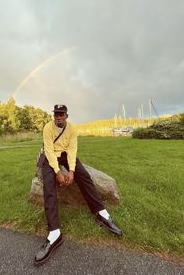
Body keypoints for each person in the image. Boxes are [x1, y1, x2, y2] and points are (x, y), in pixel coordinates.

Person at [34, 104, 122, 265]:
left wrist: (72, 171)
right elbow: (48, 150)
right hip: (51, 156)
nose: (58, 117)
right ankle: (54, 233)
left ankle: (102, 214)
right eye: (56, 114)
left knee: (85, 177)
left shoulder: (72, 128)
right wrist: (58, 172)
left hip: (66, 155)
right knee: (49, 187)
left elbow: (73, 150)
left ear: (66, 116)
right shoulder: (47, 128)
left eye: (61, 114)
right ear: (54, 116)